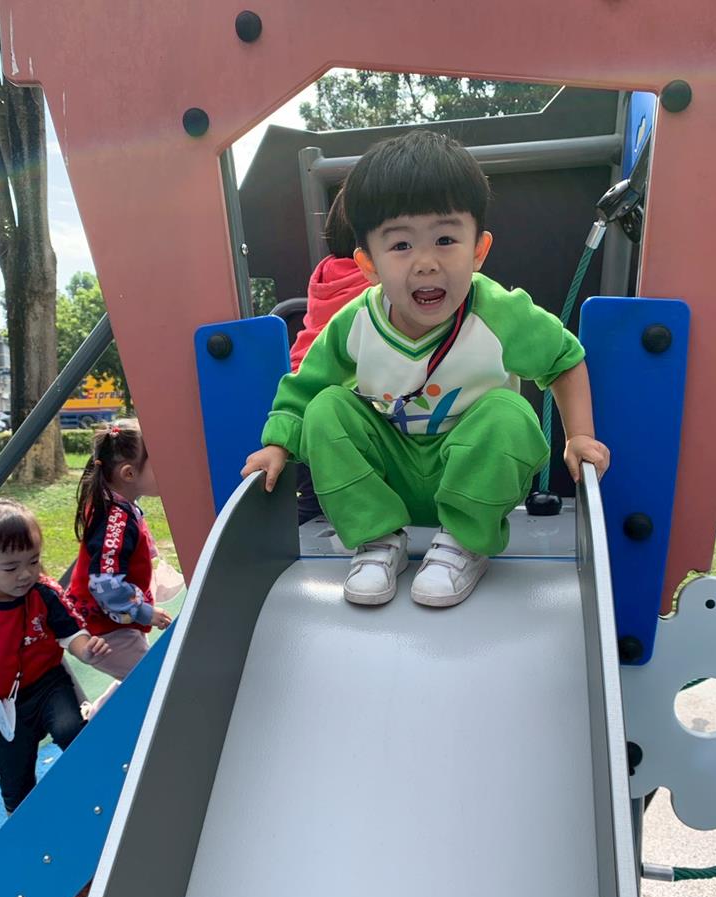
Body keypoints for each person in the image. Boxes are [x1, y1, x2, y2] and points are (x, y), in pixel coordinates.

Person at [242, 130, 610, 608]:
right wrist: (276, 445)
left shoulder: (498, 312)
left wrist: (579, 436)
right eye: (400, 245)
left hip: (471, 473)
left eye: (445, 239)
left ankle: (465, 542)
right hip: (389, 473)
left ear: (478, 250)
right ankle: (376, 539)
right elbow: (305, 387)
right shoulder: (355, 322)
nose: (426, 263)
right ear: (368, 264)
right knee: (327, 408)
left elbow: (563, 359)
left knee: (509, 412)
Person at [0, 499, 111, 813]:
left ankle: (104, 786)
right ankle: (25, 821)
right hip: (6, 705)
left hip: (48, 685)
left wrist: (86, 650)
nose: (25, 574)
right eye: (11, 567)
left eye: (33, 561)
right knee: (15, 781)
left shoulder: (43, 593)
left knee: (71, 729)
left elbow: (71, 632)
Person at [66, 419, 172, 691]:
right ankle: (100, 714)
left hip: (115, 621)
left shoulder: (118, 504)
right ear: (129, 474)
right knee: (155, 684)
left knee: (140, 677)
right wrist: (143, 611)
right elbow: (106, 583)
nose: (166, 468)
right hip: (104, 630)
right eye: (157, 463)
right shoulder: (115, 520)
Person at [291, 189, 369, 523]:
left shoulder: (326, 272)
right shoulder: (375, 280)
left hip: (301, 388)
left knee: (311, 500)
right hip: (340, 401)